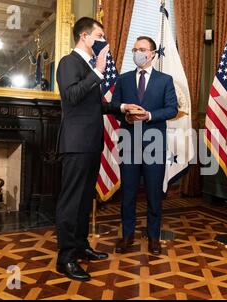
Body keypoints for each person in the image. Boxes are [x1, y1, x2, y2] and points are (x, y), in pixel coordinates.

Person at [55, 17, 141, 282]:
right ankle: (66, 258)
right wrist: (99, 69)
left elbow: (96, 105)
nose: (104, 40)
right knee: (71, 201)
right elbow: (71, 96)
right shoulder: (69, 62)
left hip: (91, 143)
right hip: (76, 143)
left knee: (83, 201)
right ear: (84, 36)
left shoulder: (87, 66)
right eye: (99, 34)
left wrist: (121, 107)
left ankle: (80, 247)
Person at [112, 36, 178, 255]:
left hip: (154, 144)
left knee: (153, 194)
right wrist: (125, 113)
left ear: (152, 53)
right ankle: (127, 236)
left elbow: (172, 110)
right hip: (129, 141)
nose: (137, 52)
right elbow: (113, 106)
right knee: (128, 193)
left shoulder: (165, 80)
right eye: (135, 49)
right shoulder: (123, 79)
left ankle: (153, 237)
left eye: (142, 49)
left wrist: (148, 115)